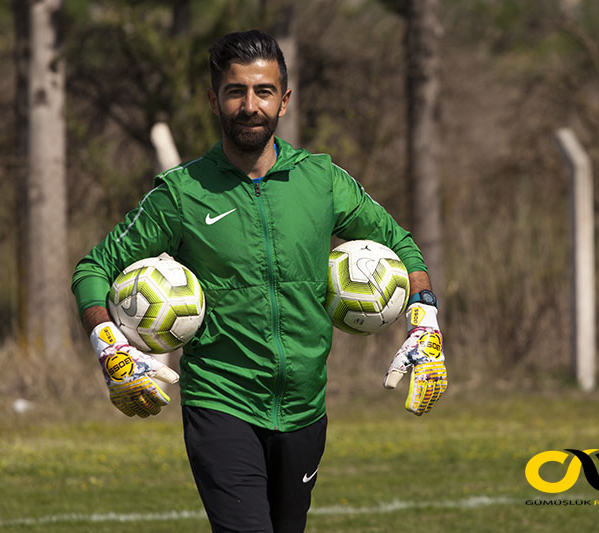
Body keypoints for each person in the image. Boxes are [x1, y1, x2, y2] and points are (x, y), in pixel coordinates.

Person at [71, 29, 447, 533]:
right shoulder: (181, 194)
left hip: (305, 409)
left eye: (263, 91)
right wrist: (108, 345)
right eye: (236, 91)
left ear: (284, 100)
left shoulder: (322, 180)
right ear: (214, 99)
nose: (250, 105)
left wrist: (425, 324)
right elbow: (93, 268)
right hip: (219, 404)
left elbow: (403, 246)